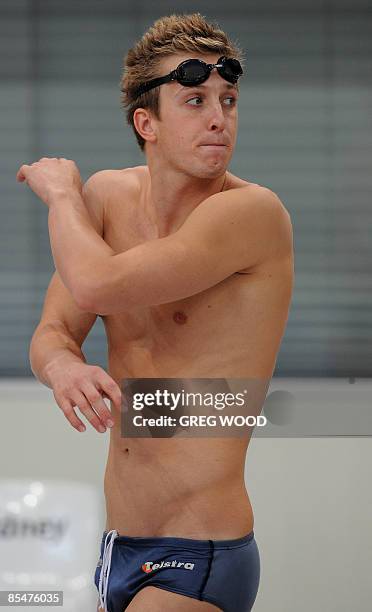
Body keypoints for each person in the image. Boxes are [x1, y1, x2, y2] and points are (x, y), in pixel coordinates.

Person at [18, 12, 293, 612]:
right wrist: (64, 368)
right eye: (195, 100)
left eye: (229, 99)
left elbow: (96, 284)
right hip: (117, 545)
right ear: (147, 122)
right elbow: (54, 330)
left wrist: (61, 194)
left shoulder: (252, 214)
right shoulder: (109, 199)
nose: (220, 118)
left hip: (199, 553)